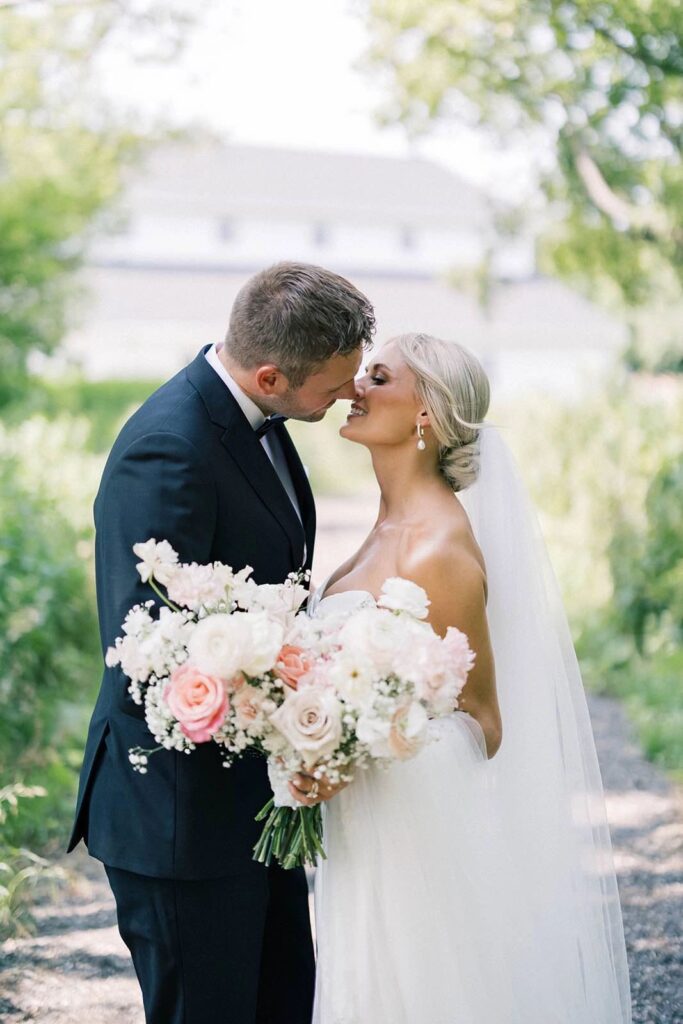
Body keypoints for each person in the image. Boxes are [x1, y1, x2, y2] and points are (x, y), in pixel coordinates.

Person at [67, 262, 375, 1024]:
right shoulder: (169, 447)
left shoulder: (252, 420)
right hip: (179, 817)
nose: (346, 396)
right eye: (332, 386)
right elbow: (154, 653)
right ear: (270, 375)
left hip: (249, 802)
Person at [299, 332, 632, 1023]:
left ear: (425, 414)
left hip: (410, 842)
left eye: (379, 377)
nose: (355, 387)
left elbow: (481, 721)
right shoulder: (386, 525)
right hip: (362, 832)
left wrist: (357, 741)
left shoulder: (438, 547)